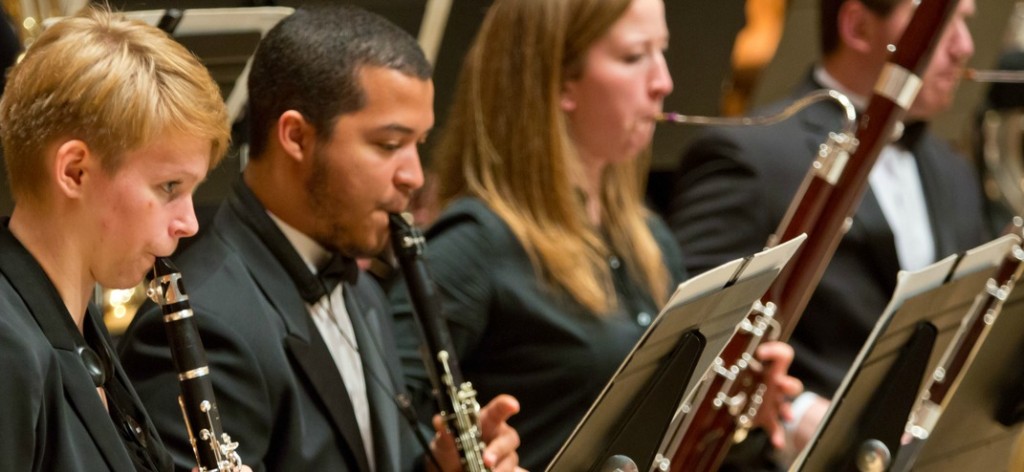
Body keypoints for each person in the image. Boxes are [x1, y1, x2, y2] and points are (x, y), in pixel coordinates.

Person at [387, 0, 803, 469]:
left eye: (661, 52)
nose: (663, 81)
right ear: (561, 80)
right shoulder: (472, 248)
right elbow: (385, 427)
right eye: (634, 57)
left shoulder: (648, 238)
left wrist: (735, 419)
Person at [118, 5, 521, 471]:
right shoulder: (200, 326)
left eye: (419, 144)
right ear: (297, 136)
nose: (413, 175)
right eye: (389, 145)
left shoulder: (365, 291)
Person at [665, 0, 987, 459]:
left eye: (965, 22)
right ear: (857, 26)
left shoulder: (954, 171)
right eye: (939, 22)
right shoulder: (748, 159)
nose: (964, 47)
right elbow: (691, 347)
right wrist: (797, 413)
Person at [0, 7, 230, 471]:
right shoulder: (9, 352)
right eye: (170, 187)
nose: (189, 222)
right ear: (75, 171)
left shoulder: (77, 323)